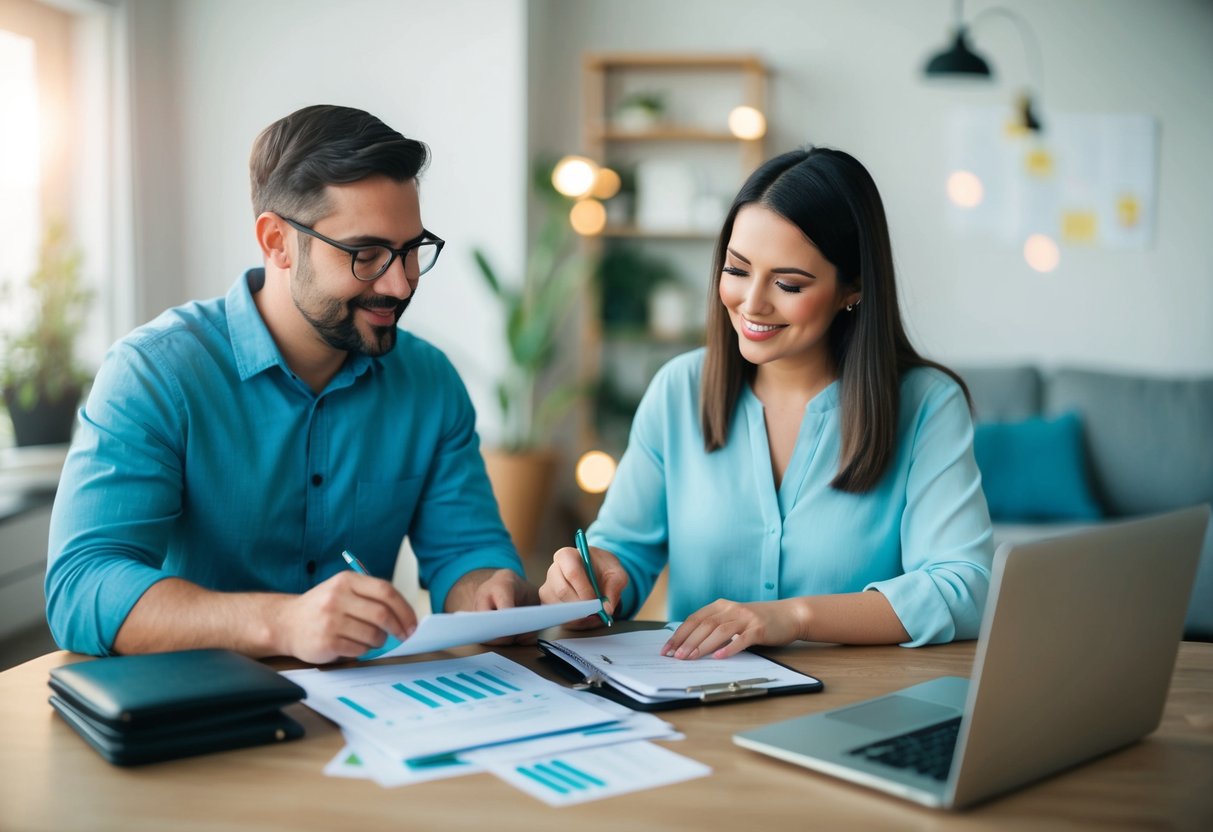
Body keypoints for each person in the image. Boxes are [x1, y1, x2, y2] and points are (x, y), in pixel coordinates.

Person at [46, 105, 535, 663]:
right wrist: (280, 622)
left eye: (410, 251)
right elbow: (79, 588)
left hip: (373, 716)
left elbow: (468, 552)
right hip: (196, 715)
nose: (400, 284)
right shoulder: (154, 374)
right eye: (366, 255)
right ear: (277, 241)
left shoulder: (430, 382)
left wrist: (490, 596)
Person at [540, 147, 994, 659]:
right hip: (694, 702)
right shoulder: (678, 389)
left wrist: (793, 617)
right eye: (737, 270)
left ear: (854, 288)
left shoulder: (927, 405)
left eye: (787, 283)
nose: (752, 302)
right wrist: (589, 583)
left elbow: (964, 588)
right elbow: (622, 552)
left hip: (855, 707)